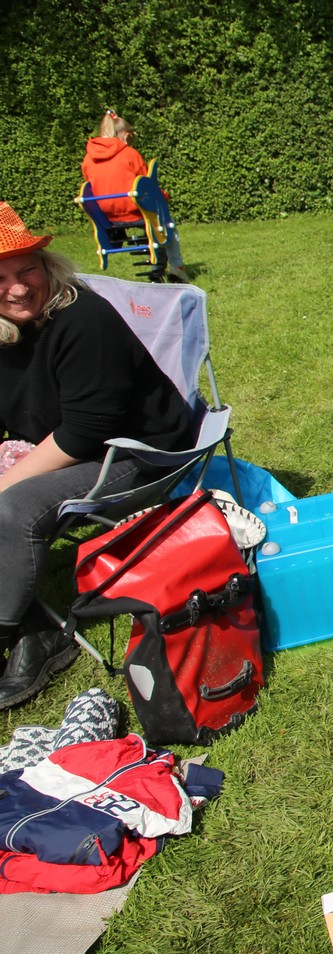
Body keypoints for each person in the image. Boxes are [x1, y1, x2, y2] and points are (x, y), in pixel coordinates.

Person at [0, 201, 197, 709]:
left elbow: (85, 433)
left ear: (47, 266)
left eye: (27, 271)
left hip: (135, 452)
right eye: (0, 279)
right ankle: (31, 623)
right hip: (59, 443)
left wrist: (6, 481)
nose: (17, 289)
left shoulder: (82, 319)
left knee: (13, 508)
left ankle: (22, 635)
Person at [81, 109, 188, 282]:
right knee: (165, 222)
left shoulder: (88, 159)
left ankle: (157, 266)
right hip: (135, 210)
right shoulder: (130, 154)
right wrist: (164, 197)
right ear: (125, 136)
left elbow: (92, 186)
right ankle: (176, 267)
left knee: (153, 222)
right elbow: (146, 186)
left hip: (107, 216)